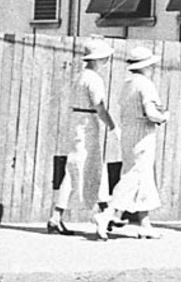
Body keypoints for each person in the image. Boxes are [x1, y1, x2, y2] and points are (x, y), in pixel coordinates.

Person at [50, 37, 117, 234]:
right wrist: (112, 125)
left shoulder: (80, 76)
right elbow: (99, 105)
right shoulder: (94, 79)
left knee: (92, 166)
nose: (105, 61)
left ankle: (106, 212)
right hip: (87, 124)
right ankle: (57, 215)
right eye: (104, 58)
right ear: (97, 59)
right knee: (79, 167)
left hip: (79, 122)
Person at [101, 46, 169, 239]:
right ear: (146, 66)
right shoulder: (146, 85)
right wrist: (164, 117)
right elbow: (151, 113)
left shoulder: (127, 83)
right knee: (136, 174)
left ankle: (145, 223)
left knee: (141, 175)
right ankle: (108, 213)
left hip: (128, 131)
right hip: (142, 133)